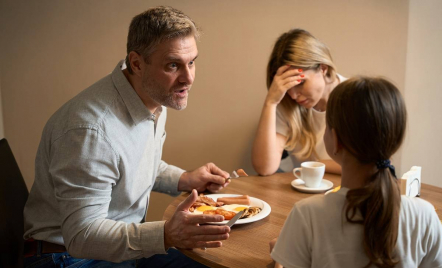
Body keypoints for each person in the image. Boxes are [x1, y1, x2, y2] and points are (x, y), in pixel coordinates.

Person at [23, 6, 232, 267]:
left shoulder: (154, 96)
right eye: (173, 65)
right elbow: (82, 236)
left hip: (117, 247)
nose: (188, 78)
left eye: (191, 62)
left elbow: (129, 164)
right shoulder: (90, 131)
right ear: (136, 63)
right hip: (67, 256)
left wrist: (184, 179)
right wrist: (166, 234)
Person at [269, 77, 442, 267]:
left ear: (335, 139)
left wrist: (282, 258)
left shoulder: (307, 215)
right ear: (395, 141)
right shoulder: (425, 216)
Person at [252, 29, 345, 176]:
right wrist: (270, 103)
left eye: (300, 82)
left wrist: (314, 165)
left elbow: (368, 165)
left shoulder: (355, 98)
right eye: (288, 86)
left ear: (322, 68)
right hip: (303, 193)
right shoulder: (286, 101)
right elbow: (265, 167)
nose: (294, 95)